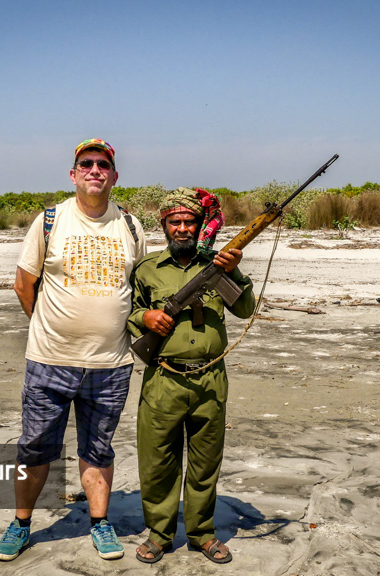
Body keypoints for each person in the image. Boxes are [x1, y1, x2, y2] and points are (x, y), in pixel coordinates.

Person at [0, 139, 146, 562]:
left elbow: (139, 289)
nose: (95, 169)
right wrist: (50, 330)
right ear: (73, 173)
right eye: (86, 164)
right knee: (35, 446)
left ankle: (100, 523)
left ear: (114, 176)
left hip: (111, 364)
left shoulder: (131, 227)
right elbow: (25, 285)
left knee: (98, 448)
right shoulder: (50, 221)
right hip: (49, 362)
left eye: (103, 164)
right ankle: (21, 524)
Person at [127, 188, 255, 564]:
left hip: (210, 380)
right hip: (163, 379)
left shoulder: (217, 265)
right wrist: (145, 318)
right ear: (165, 225)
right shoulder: (148, 268)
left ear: (200, 226)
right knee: (157, 463)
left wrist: (233, 270)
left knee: (204, 463)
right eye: (175, 222)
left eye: (190, 222)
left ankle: (201, 534)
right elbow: (129, 313)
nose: (182, 228)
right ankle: (160, 534)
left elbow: (246, 310)